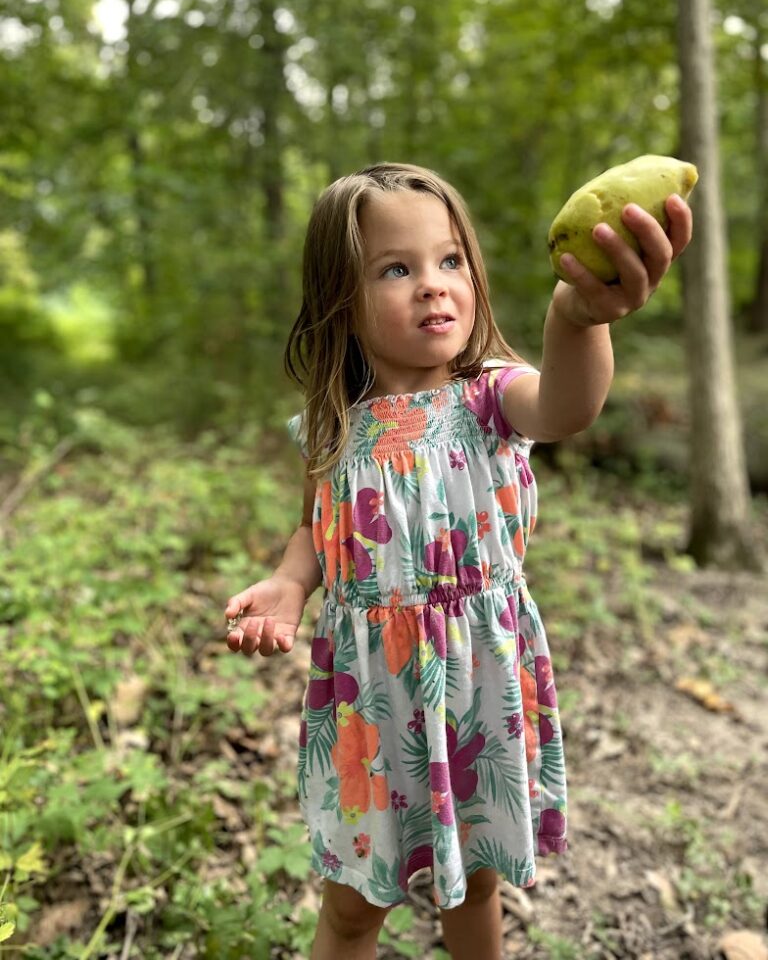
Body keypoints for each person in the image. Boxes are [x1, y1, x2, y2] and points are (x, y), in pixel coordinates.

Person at [224, 162, 693, 960]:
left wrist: (577, 317)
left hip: (475, 685)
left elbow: (569, 406)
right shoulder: (333, 426)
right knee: (350, 907)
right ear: (342, 296)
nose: (433, 285)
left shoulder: (491, 396)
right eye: (396, 269)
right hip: (371, 700)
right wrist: (287, 583)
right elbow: (317, 526)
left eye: (450, 261)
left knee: (476, 888)